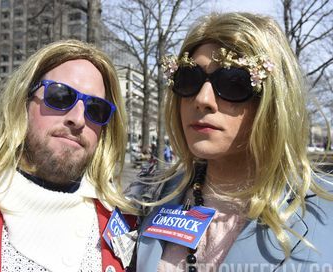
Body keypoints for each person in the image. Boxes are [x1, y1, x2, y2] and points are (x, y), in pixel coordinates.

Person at [132, 13, 333, 271]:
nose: (202, 99)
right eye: (189, 79)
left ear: (273, 102)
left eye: (233, 82)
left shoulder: (323, 210)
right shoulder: (151, 195)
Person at [0, 40, 137, 272]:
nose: (79, 119)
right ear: (24, 102)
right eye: (60, 96)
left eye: (95, 108)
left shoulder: (129, 230)